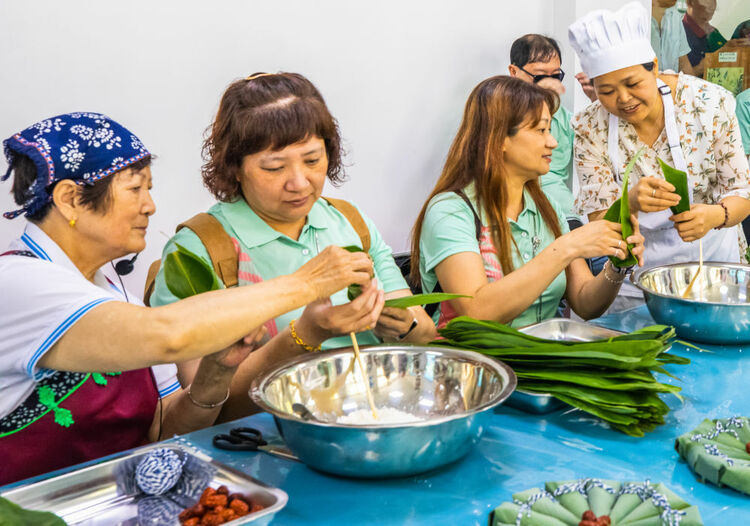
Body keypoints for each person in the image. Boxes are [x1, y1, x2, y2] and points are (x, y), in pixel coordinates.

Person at [0, 113, 373, 484]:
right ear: (70, 198)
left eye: (150, 189)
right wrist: (307, 282)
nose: (150, 206)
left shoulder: (117, 296)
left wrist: (216, 372)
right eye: (135, 189)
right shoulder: (18, 282)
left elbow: (163, 430)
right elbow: (167, 335)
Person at [150, 73, 436, 420]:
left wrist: (401, 325)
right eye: (274, 167)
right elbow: (204, 410)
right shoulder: (199, 251)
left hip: (374, 417)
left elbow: (427, 341)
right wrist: (306, 334)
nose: (300, 183)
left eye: (313, 160)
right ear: (234, 167)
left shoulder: (349, 223)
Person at [410, 76, 645, 329]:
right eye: (541, 130)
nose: (552, 142)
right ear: (499, 139)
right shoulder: (450, 212)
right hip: (477, 365)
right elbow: (476, 312)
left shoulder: (547, 208)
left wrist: (619, 264)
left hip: (536, 359)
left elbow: (585, 303)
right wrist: (568, 247)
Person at [569, 2, 750, 311]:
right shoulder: (590, 126)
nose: (623, 99)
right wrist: (630, 203)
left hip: (714, 270)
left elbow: (742, 193)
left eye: (633, 83)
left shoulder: (709, 104)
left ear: (653, 65)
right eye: (607, 91)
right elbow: (599, 220)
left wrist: (714, 216)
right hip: (636, 278)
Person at [508, 35, 575, 221]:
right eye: (540, 76)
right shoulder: (501, 111)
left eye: (556, 76)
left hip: (562, 210)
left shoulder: (564, 118)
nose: (549, 83)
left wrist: (597, 98)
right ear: (514, 72)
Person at [682, 0, 727, 78]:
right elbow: (674, 77)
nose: (711, 4)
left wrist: (732, 47)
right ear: (690, 3)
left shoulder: (714, 32)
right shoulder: (679, 33)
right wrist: (700, 68)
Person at [652, 0, 694, 74]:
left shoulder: (675, 15)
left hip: (671, 84)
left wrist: (694, 84)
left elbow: (683, 63)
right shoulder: (634, 16)